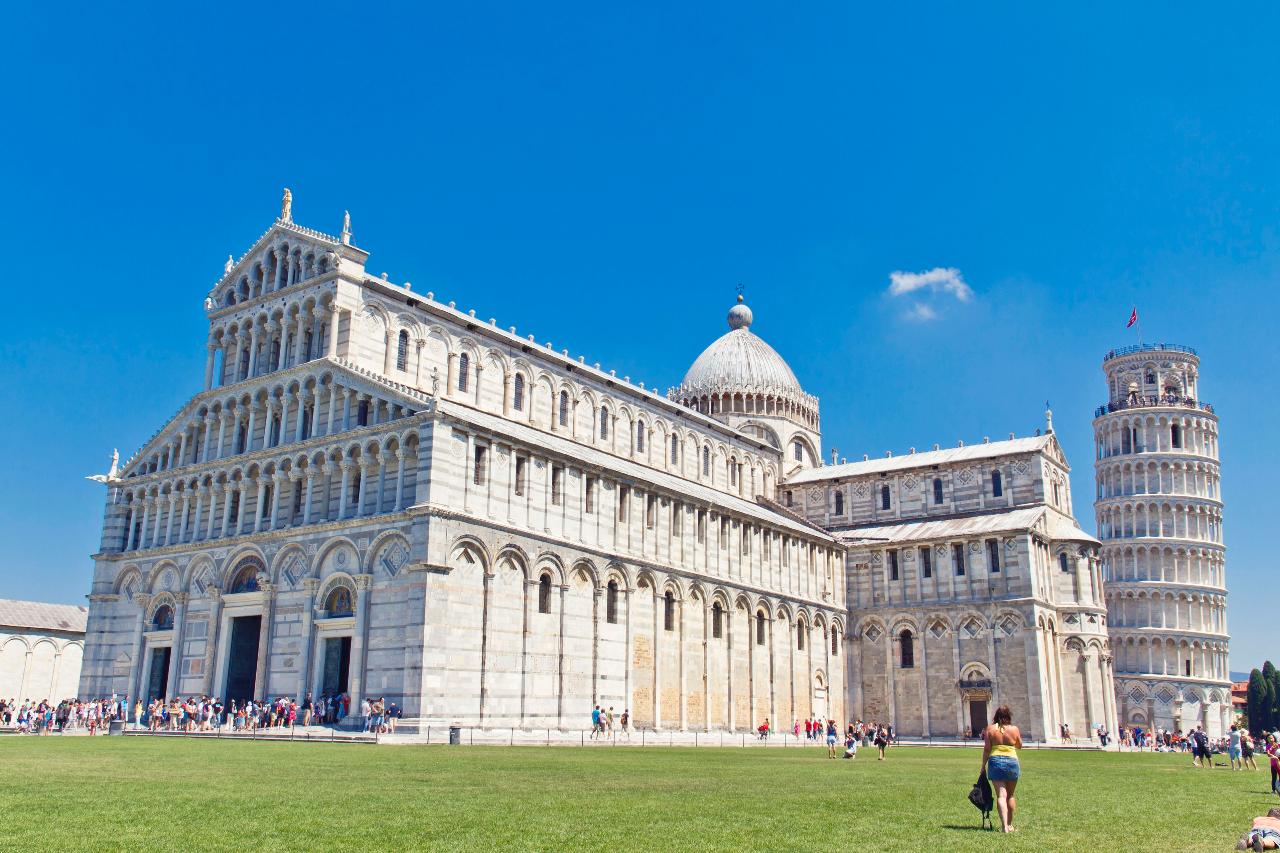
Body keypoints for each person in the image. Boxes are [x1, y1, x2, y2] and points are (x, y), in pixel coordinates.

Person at [981, 705, 1023, 834]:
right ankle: (1010, 825)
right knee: (1010, 795)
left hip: (995, 761)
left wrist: (983, 766)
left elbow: (987, 749)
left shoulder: (990, 729)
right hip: (1011, 761)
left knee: (1001, 795)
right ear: (1008, 715)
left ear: (995, 716)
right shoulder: (1014, 729)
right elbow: (1019, 745)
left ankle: (1004, 826)